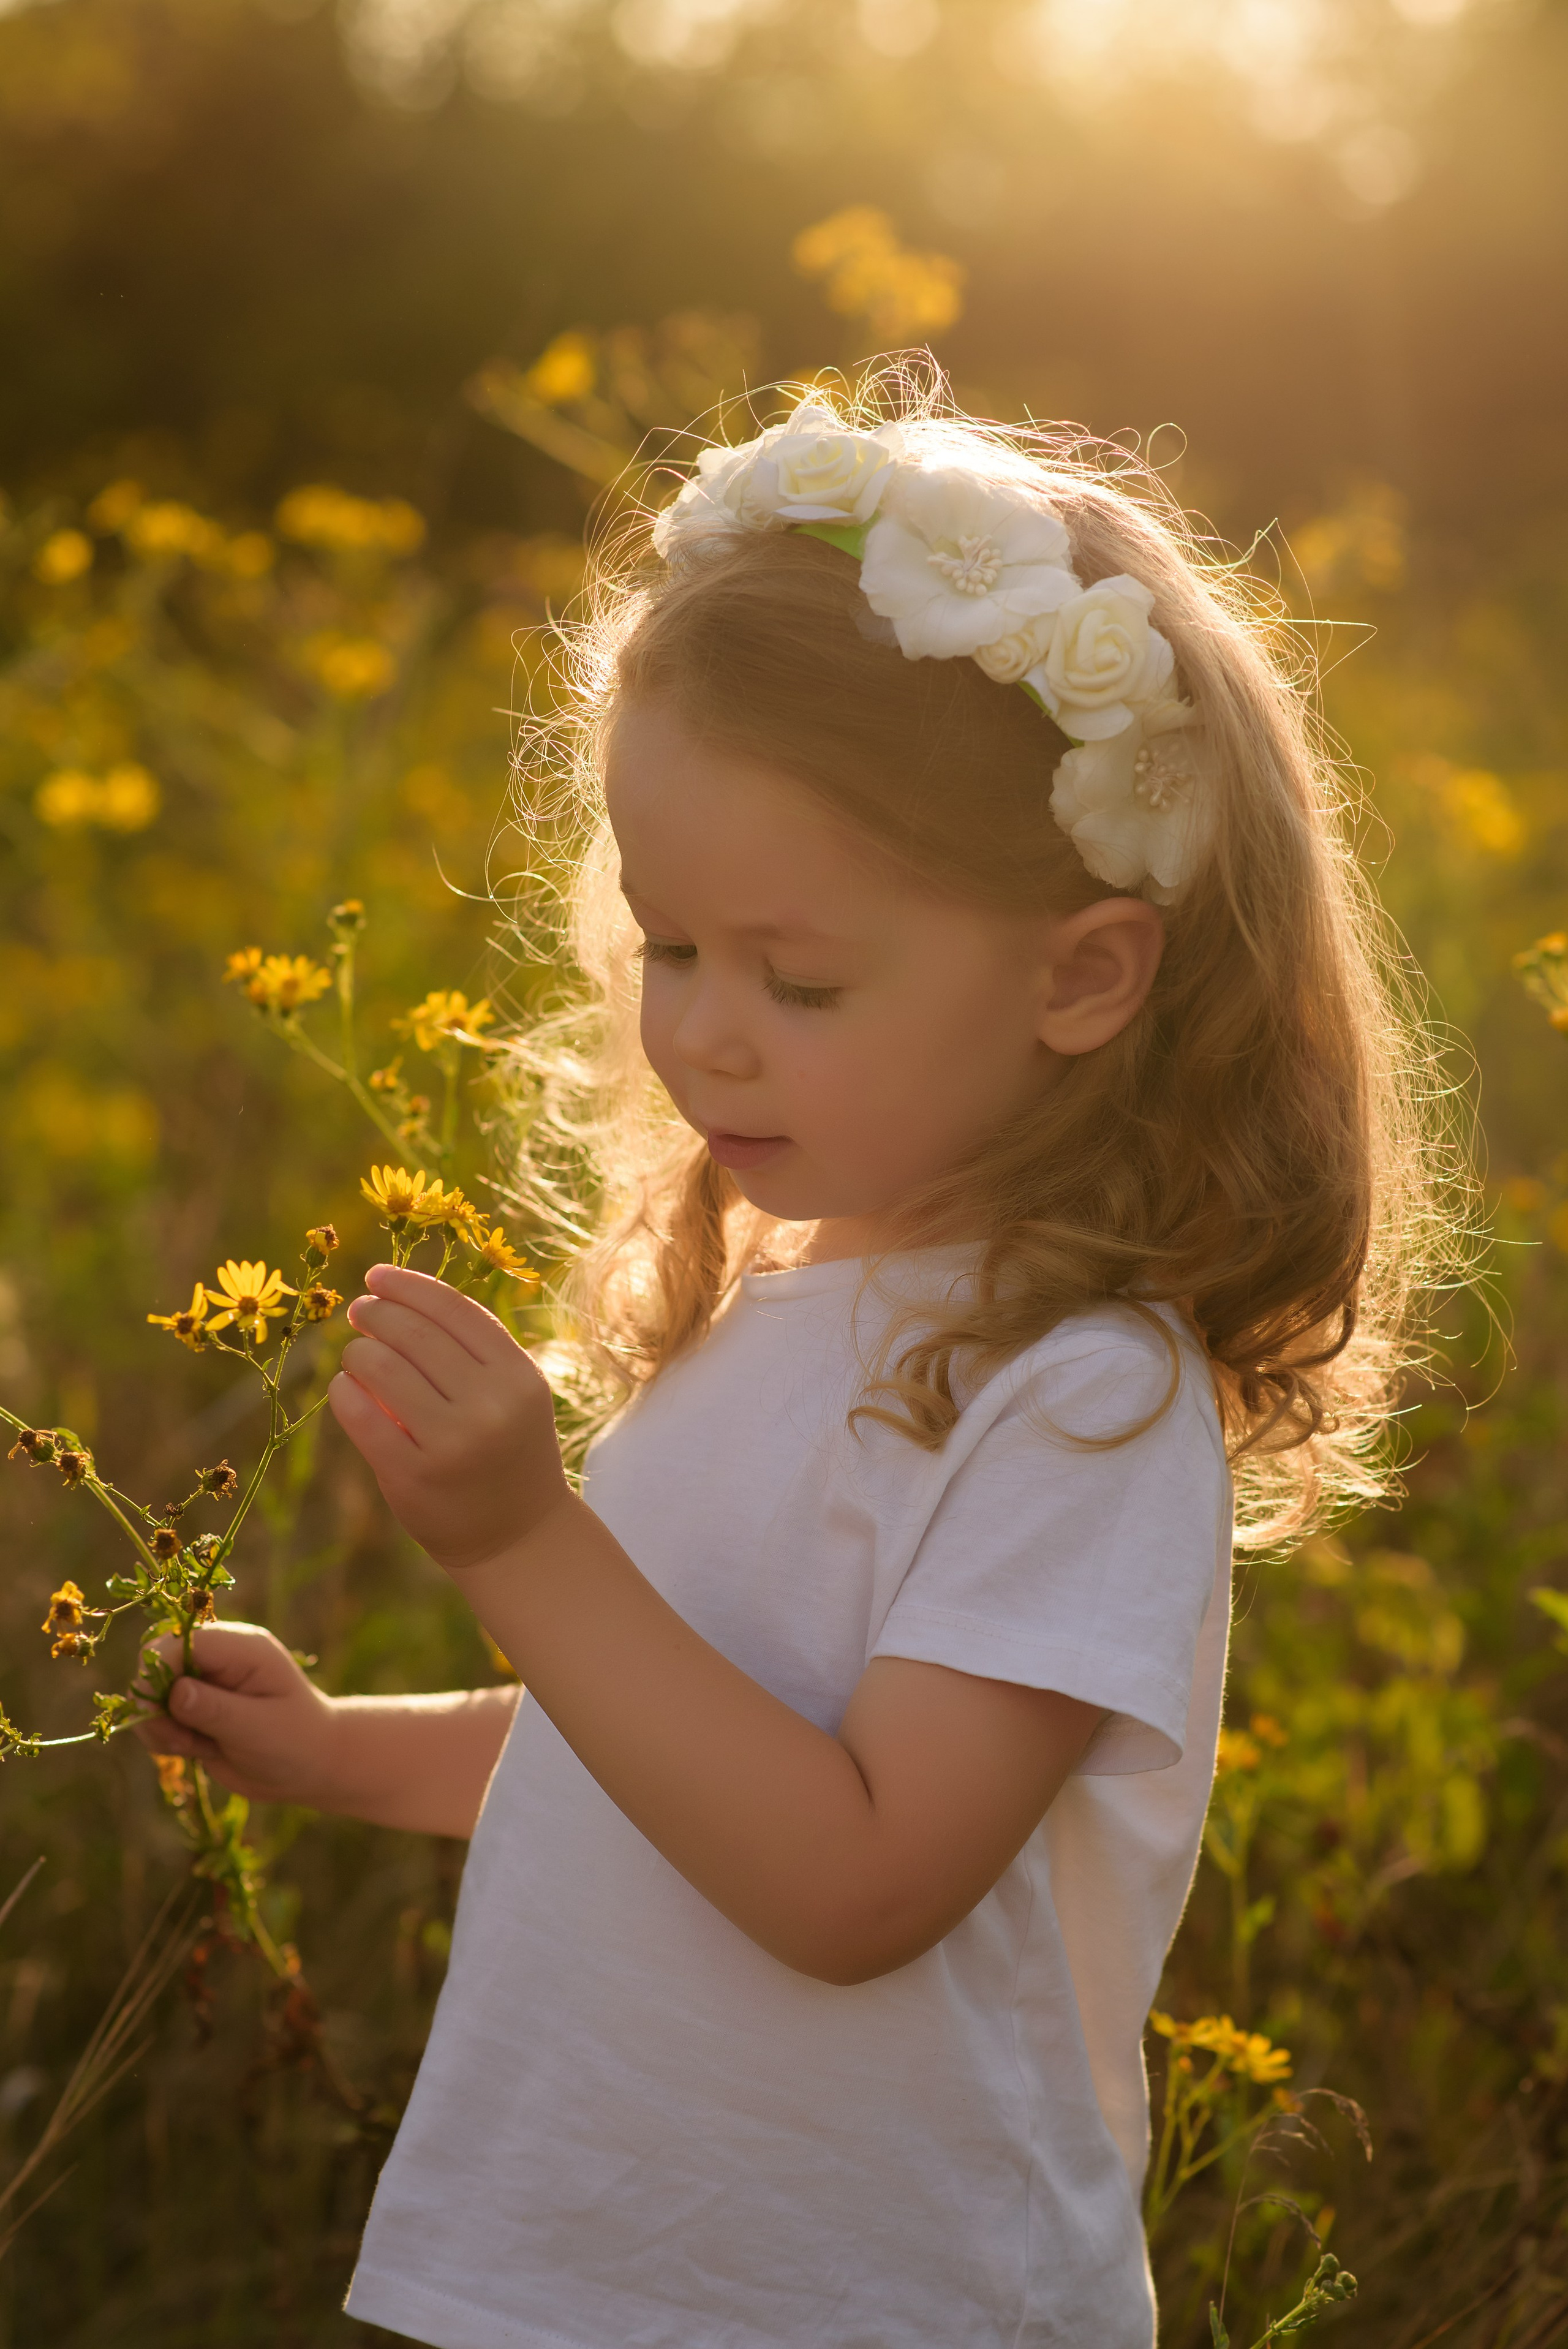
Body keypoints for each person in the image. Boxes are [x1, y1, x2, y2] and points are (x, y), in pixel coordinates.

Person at [140, 385, 1447, 2349]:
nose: (707, 1035)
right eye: (670, 948)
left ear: (1084, 973)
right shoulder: (765, 1290)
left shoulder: (1080, 1393)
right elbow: (660, 1734)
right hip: (589, 2264)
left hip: (873, 2295)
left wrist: (519, 1536)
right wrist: (340, 1748)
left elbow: (852, 1876)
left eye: (800, 978)